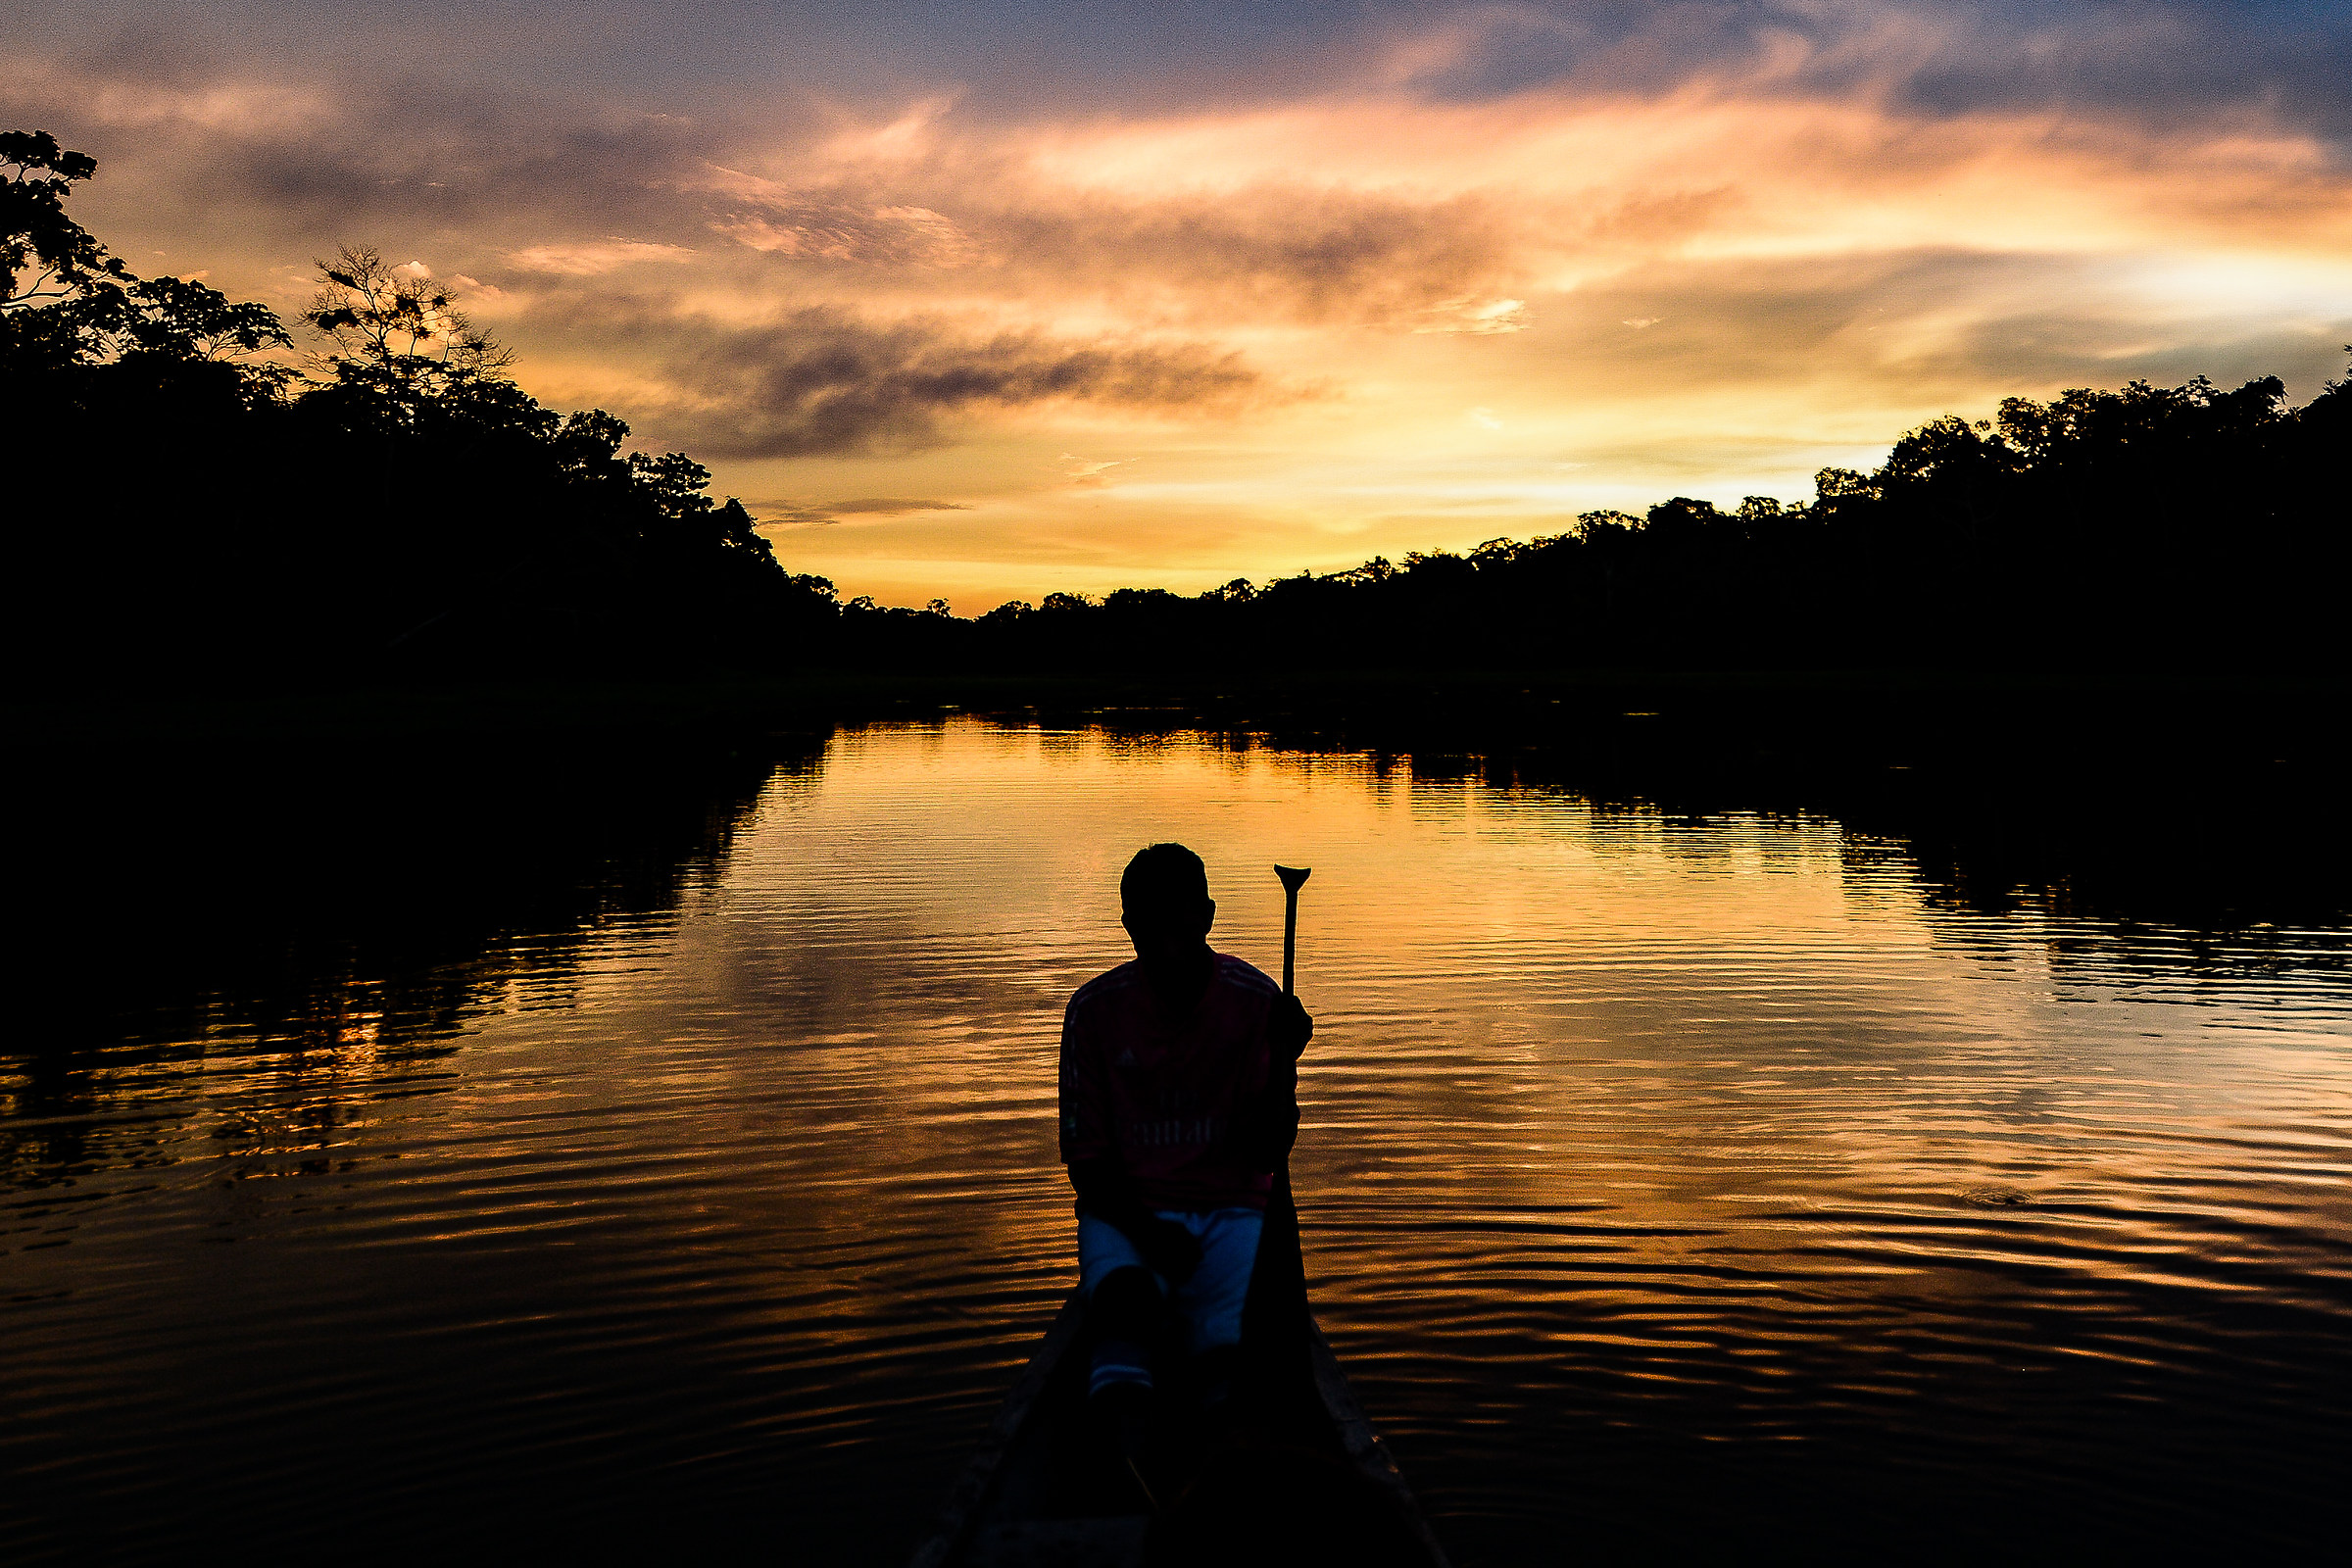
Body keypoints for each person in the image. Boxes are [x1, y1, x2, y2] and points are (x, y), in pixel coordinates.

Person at [1058, 843, 1314, 1445]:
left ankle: (1222, 1420)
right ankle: (1129, 1438)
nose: (1165, 933)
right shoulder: (1093, 1013)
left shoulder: (1256, 1003)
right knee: (1126, 1310)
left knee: (1229, 1376)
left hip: (1232, 1209)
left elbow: (1267, 1150)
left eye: (1178, 915)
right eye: (1148, 919)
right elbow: (1089, 1167)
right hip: (1126, 1211)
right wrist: (1150, 1234)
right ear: (1128, 926)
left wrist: (1285, 1064)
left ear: (1207, 917)